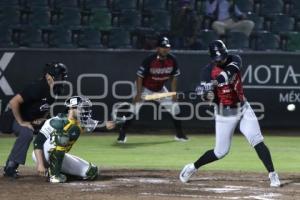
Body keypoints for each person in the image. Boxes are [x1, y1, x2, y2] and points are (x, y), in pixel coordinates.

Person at [179, 40, 281, 187]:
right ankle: (192, 167)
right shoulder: (206, 72)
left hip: (243, 108)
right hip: (224, 113)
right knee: (220, 152)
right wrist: (205, 93)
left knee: (257, 140)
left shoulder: (235, 59)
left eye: (223, 56)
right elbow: (208, 99)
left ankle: (273, 175)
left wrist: (213, 83)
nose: (222, 60)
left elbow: (228, 73)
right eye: (219, 58)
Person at [0, 62, 68, 178]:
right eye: (58, 76)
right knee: (27, 133)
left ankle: (52, 164)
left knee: (55, 129)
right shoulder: (37, 87)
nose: (60, 79)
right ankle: (10, 167)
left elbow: (46, 106)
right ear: (48, 76)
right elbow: (13, 102)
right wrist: (22, 122)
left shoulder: (55, 90)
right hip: (15, 118)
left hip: (32, 119)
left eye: (62, 76)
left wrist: (42, 118)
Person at [116, 36, 188, 143]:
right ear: (157, 48)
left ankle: (180, 135)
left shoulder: (172, 60)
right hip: (145, 88)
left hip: (159, 89)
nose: (165, 49)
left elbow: (174, 77)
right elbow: (139, 76)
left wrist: (173, 93)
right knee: (134, 109)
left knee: (175, 109)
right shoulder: (150, 60)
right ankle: (122, 134)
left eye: (167, 47)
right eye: (163, 47)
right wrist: (139, 93)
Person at [32, 96, 115, 183]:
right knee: (62, 135)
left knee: (91, 172)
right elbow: (38, 142)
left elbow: (102, 126)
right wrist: (40, 164)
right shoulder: (55, 122)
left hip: (59, 155)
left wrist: (113, 123)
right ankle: (54, 175)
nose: (84, 111)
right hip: (43, 155)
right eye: (81, 108)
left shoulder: (83, 122)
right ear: (71, 108)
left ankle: (57, 172)